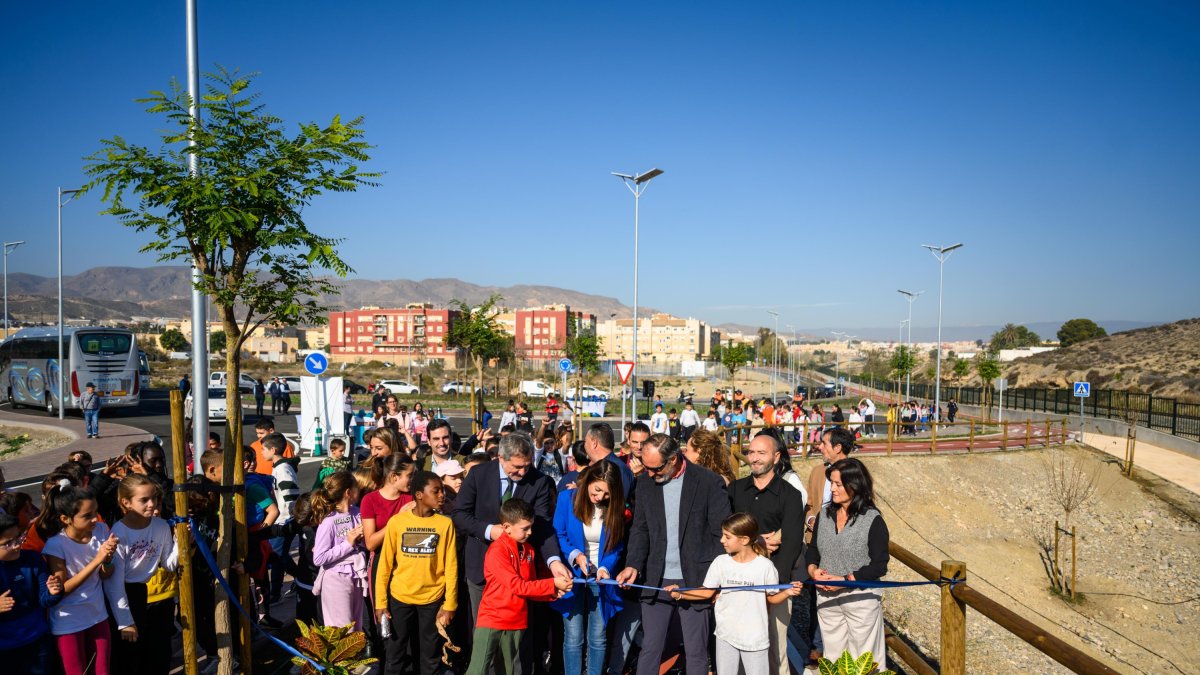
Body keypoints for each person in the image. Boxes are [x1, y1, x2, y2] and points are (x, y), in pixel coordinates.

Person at [452, 433, 569, 674]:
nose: (523, 472)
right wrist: (489, 530)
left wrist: (554, 561)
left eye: (528, 465)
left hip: (521, 570)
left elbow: (543, 526)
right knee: (485, 638)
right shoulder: (478, 475)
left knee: (518, 642)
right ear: (500, 458)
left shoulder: (538, 481)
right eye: (517, 467)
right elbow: (460, 515)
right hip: (483, 567)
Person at [615, 434, 731, 675]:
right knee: (650, 648)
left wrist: (715, 582)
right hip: (655, 579)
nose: (649, 473)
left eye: (655, 469)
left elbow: (720, 535)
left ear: (673, 459)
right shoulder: (645, 483)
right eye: (645, 467)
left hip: (696, 580)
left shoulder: (708, 482)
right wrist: (633, 565)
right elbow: (640, 529)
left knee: (696, 651)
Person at [667, 513, 801, 675]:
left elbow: (772, 597)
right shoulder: (720, 562)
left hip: (755, 639)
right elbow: (706, 592)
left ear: (744, 540)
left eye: (727, 537)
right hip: (726, 635)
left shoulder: (765, 567)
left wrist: (787, 592)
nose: (722, 540)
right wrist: (680, 594)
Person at [464, 498, 572, 675]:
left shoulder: (529, 550)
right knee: (478, 669)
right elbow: (517, 586)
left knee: (508, 670)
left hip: (516, 622)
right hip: (492, 619)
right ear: (506, 527)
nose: (530, 532)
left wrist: (553, 592)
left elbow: (530, 586)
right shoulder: (497, 551)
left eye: (531, 527)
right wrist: (552, 584)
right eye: (525, 528)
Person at [730, 434, 806, 675]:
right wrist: (758, 541)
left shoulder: (790, 495)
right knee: (738, 644)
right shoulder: (735, 490)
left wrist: (773, 587)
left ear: (776, 457)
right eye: (751, 452)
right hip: (738, 582)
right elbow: (725, 535)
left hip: (776, 582)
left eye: (761, 453)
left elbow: (792, 544)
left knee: (776, 648)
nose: (754, 458)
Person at [805, 458, 889, 668]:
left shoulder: (873, 519)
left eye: (838, 484)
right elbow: (813, 550)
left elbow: (879, 565)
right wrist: (813, 570)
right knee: (833, 657)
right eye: (831, 483)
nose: (831, 489)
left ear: (855, 485)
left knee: (864, 659)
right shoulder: (824, 515)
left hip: (860, 598)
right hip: (826, 596)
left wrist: (845, 580)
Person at [41, 485, 130, 675]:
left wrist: (107, 560)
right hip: (68, 621)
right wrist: (97, 559)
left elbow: (106, 574)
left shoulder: (100, 530)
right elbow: (62, 590)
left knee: (102, 670)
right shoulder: (56, 545)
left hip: (98, 614)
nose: (94, 519)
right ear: (65, 519)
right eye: (87, 515)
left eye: (96, 512)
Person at [376, 471, 459, 675]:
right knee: (395, 654)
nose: (442, 495)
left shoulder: (445, 524)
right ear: (419, 494)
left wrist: (450, 604)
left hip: (432, 599)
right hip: (400, 597)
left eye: (442, 491)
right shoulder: (397, 522)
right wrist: (380, 602)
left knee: (430, 656)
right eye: (436, 491)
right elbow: (385, 565)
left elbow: (451, 566)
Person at [552, 461, 627, 675]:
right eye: (597, 490)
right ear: (588, 481)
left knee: (598, 637)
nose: (601, 497)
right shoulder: (567, 499)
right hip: (572, 576)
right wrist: (576, 556)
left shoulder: (614, 508)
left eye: (607, 494)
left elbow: (616, 546)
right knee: (573, 637)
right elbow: (559, 534)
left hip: (600, 579)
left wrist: (605, 566)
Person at [109, 474, 179, 675]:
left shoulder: (161, 525)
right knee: (131, 658)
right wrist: (125, 621)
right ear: (126, 502)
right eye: (144, 500)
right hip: (125, 597)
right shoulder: (119, 532)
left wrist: (182, 542)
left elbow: (169, 564)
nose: (152, 504)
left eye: (155, 498)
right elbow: (114, 584)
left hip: (148, 596)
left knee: (158, 654)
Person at [0, 511, 63, 675]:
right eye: (8, 543)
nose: (16, 545)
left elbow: (45, 599)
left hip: (37, 640)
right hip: (5, 648)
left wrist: (53, 592)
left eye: (19, 537)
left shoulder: (33, 559)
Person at [310, 471, 369, 631]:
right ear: (349, 492)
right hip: (336, 578)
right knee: (342, 630)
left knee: (356, 626)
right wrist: (348, 543)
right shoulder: (328, 521)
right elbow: (319, 558)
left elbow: (365, 543)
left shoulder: (357, 512)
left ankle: (355, 656)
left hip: (356, 575)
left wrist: (362, 539)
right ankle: (342, 657)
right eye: (357, 488)